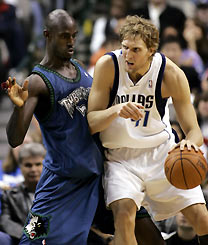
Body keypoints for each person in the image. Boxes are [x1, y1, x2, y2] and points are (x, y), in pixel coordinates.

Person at [87, 15, 208, 245]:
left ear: (151, 50)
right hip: (120, 158)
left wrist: (189, 144)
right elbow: (91, 121)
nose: (128, 55)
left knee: (202, 219)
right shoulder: (108, 66)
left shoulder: (170, 73)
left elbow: (193, 130)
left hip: (161, 154)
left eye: (135, 49)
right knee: (124, 216)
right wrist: (116, 110)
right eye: (124, 47)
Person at [4, 9, 103, 244]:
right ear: (47, 35)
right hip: (58, 185)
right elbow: (15, 139)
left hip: (94, 177)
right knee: (31, 239)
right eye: (64, 36)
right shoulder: (38, 81)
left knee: (133, 222)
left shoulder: (79, 67)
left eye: (74, 36)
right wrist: (19, 108)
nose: (71, 42)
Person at [0, 142, 45, 245]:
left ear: (46, 164)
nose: (33, 169)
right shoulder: (9, 195)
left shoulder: (56, 192)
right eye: (28, 165)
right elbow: (5, 221)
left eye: (38, 164)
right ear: (20, 166)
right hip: (22, 240)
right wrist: (30, 236)